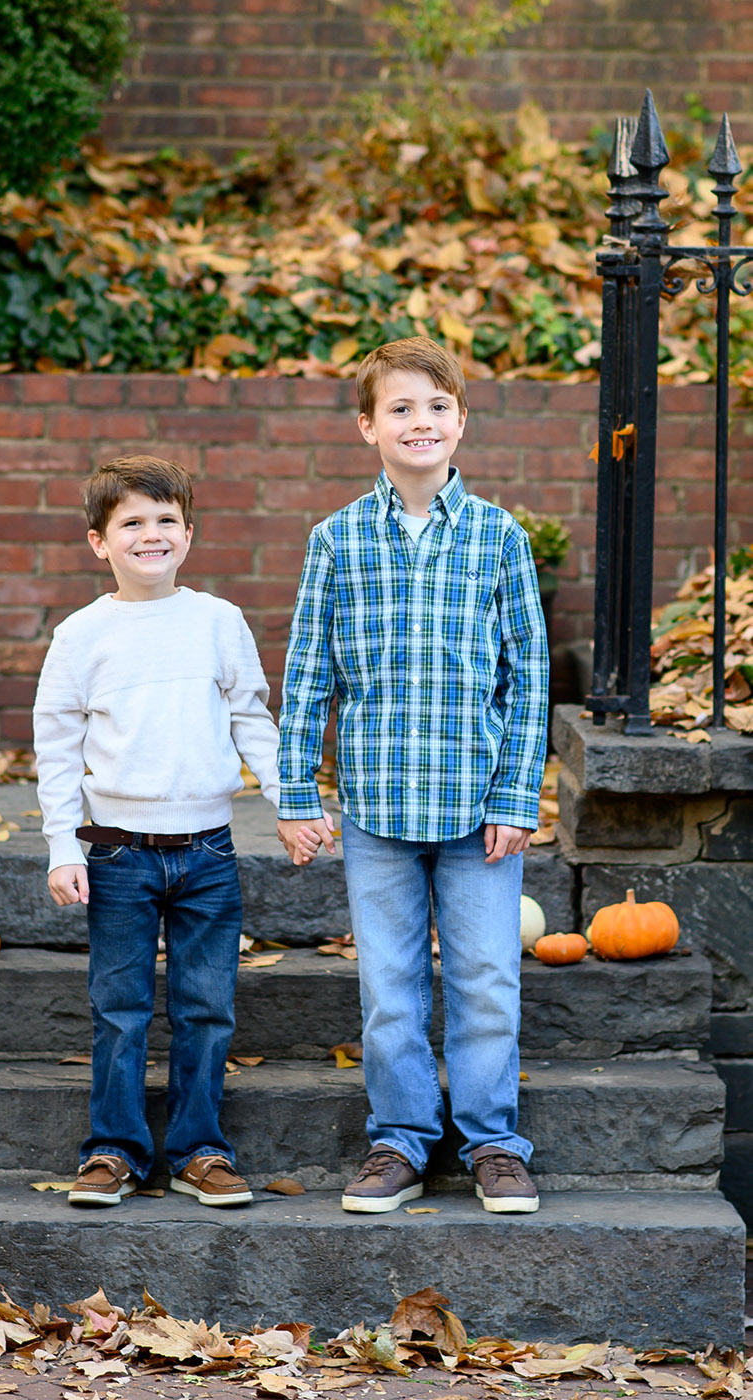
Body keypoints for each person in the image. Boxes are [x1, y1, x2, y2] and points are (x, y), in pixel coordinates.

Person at [276, 336, 549, 1215]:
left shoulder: (500, 538)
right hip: (378, 806)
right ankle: (399, 1140)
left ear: (461, 421)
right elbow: (308, 674)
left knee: (485, 983)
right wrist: (295, 790)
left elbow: (528, 677)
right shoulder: (337, 541)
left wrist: (517, 795)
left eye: (436, 406)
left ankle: (493, 1142)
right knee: (390, 991)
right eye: (400, 408)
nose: (419, 422)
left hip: (479, 811)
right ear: (369, 426)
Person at [33, 454, 314, 1210]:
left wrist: (290, 801)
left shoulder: (218, 621)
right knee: (119, 1010)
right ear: (99, 541)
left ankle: (199, 1151)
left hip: (208, 852)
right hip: (116, 854)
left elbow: (252, 719)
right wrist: (62, 846)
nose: (151, 534)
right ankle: (114, 1151)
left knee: (206, 1009)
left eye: (166, 520)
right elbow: (56, 748)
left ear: (189, 534)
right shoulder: (81, 635)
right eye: (132, 522)